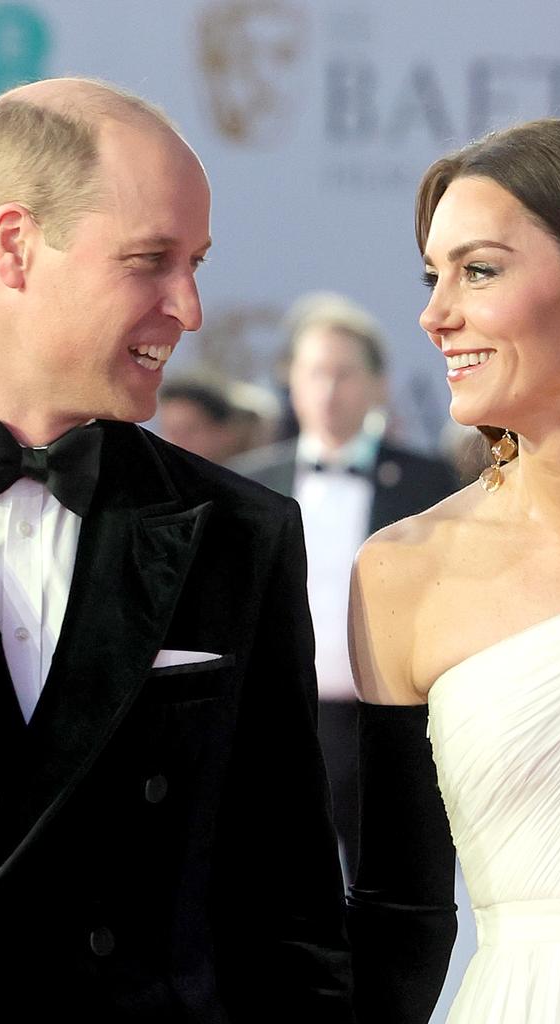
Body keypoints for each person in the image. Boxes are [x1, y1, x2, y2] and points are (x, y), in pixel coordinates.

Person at [0, 77, 354, 1023]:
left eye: (194, 261)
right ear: (15, 246)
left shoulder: (240, 533)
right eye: (150, 260)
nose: (191, 308)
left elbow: (288, 912)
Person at [348, 116, 560, 1023]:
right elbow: (398, 915)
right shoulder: (402, 573)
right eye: (432, 275)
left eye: (478, 269)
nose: (434, 313)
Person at [232, 293, 458, 881]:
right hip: (283, 723)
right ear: (291, 383)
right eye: (314, 374)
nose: (328, 391)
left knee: (392, 886)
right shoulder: (254, 484)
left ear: (379, 385)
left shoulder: (431, 483)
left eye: (344, 374)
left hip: (390, 723)